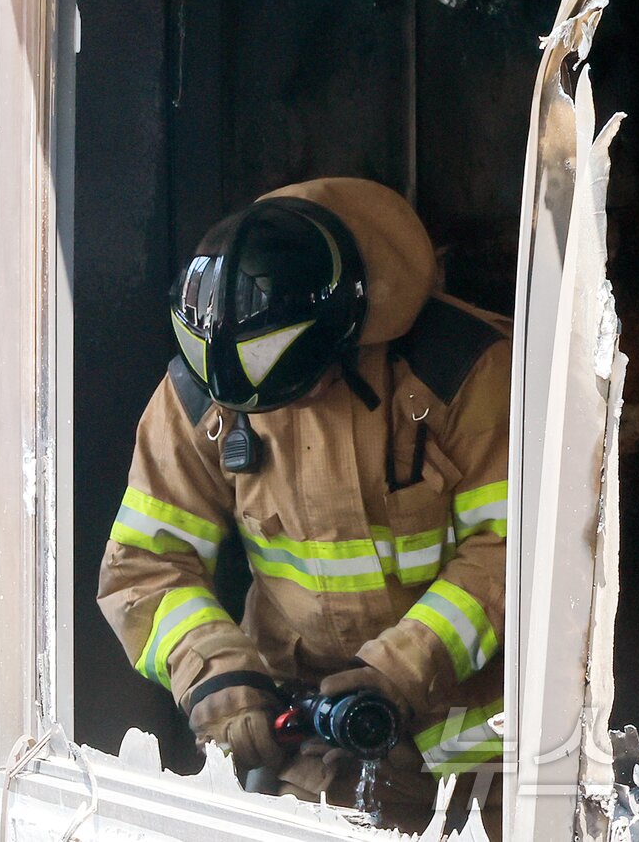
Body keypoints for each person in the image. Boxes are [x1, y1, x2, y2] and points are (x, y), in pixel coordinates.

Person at [97, 178, 508, 834]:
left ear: (340, 338)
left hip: (484, 751)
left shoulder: (464, 374)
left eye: (294, 392)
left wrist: (402, 668)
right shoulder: (205, 394)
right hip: (317, 746)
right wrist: (214, 671)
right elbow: (146, 565)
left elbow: (514, 553)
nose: (272, 418)